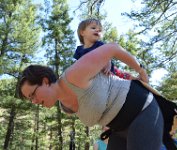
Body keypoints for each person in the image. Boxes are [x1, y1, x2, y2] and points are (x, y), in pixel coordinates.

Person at [17, 43, 163, 150]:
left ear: (45, 81)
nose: (34, 101)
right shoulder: (65, 106)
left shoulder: (74, 75)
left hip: (142, 111)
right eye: (30, 100)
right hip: (118, 130)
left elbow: (112, 48)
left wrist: (140, 70)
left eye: (33, 94)